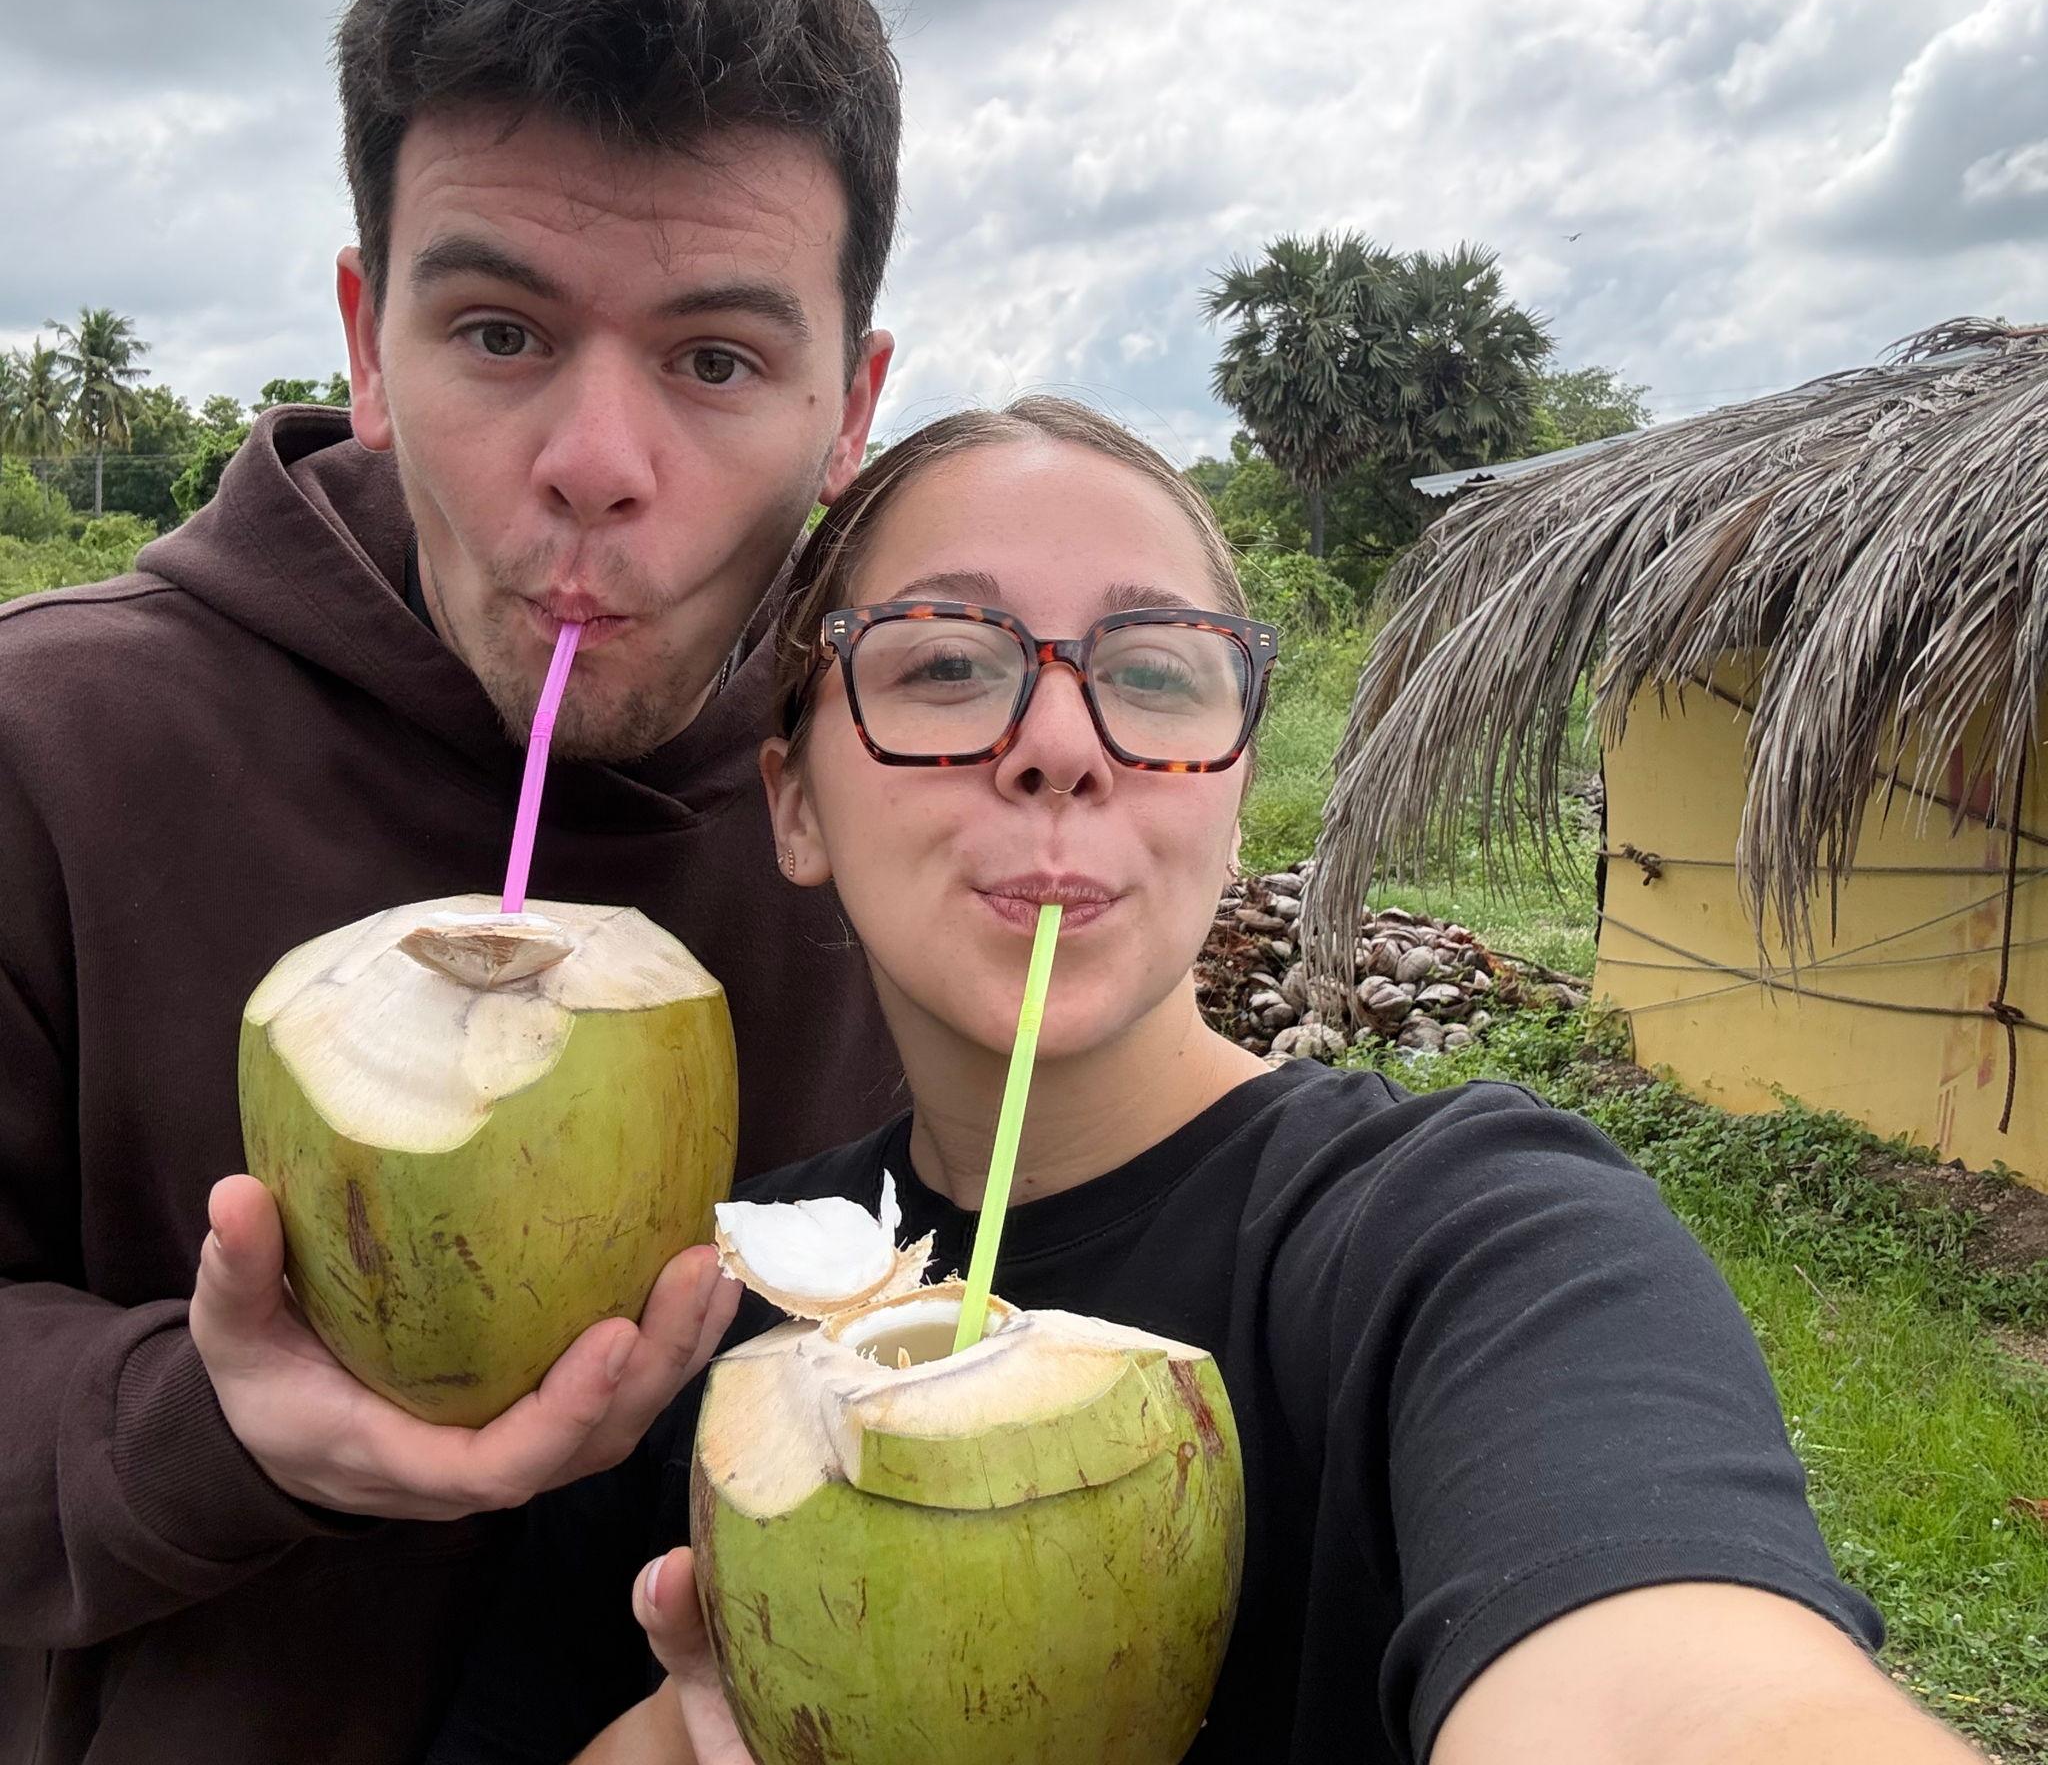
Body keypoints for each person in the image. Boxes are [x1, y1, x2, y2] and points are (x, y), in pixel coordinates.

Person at [433, 397, 1982, 1765]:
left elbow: (1682, 1694)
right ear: (795, 806)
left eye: (1158, 674)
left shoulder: (1465, 1245)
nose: (1058, 745)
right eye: (947, 665)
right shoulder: (702, 1298)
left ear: (1234, 803)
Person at [0, 0, 911, 1765]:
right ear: (366, 334)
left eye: (717, 359)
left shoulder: (897, 815)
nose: (594, 463)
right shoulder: (50, 750)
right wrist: (199, 1424)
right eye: (499, 333)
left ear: (851, 406)